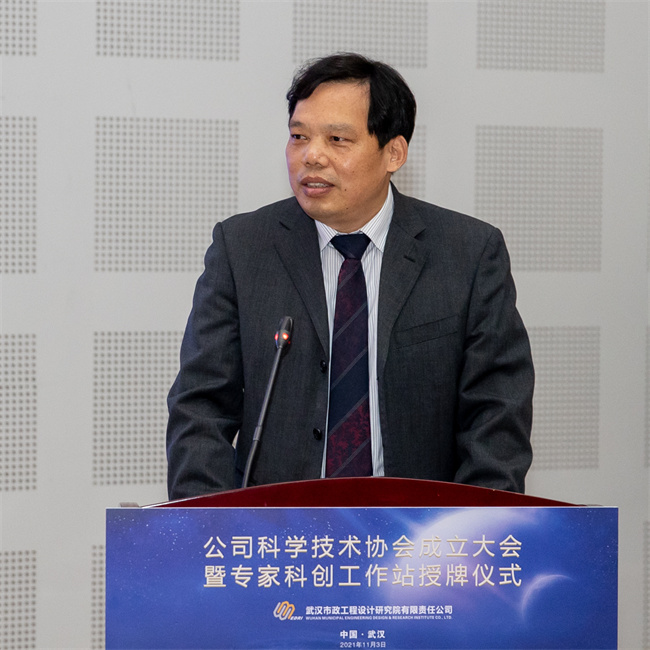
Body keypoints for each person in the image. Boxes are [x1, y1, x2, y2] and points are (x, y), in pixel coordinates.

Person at [166, 53, 533, 501]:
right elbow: (200, 409)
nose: (311, 156)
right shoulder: (242, 249)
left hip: (417, 530)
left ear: (394, 153)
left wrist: (470, 528)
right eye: (299, 136)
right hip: (275, 527)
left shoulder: (468, 254)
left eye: (337, 139)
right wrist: (208, 523)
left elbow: (496, 418)